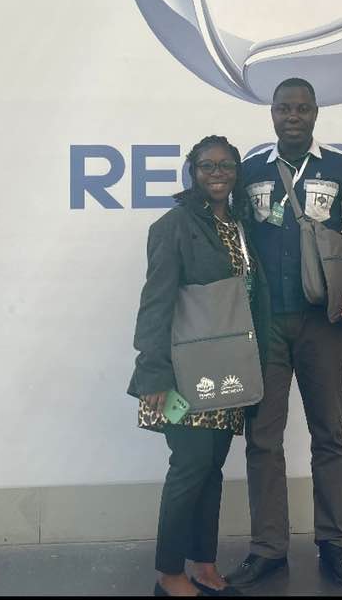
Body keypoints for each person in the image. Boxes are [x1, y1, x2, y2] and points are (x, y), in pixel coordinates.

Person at [226, 78, 342, 592]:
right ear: (272, 114)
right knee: (262, 439)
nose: (292, 116)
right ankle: (267, 550)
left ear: (315, 113)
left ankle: (335, 545)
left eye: (301, 108)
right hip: (266, 325)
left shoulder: (340, 167)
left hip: (325, 322)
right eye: (283, 108)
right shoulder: (250, 171)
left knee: (329, 434)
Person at [128, 136, 271, 598]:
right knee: (188, 467)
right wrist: (153, 372)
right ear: (193, 171)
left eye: (226, 165)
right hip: (181, 371)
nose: (217, 173)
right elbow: (156, 302)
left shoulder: (240, 225)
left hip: (227, 370)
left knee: (211, 469)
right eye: (207, 165)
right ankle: (169, 574)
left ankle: (203, 564)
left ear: (236, 172)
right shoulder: (173, 226)